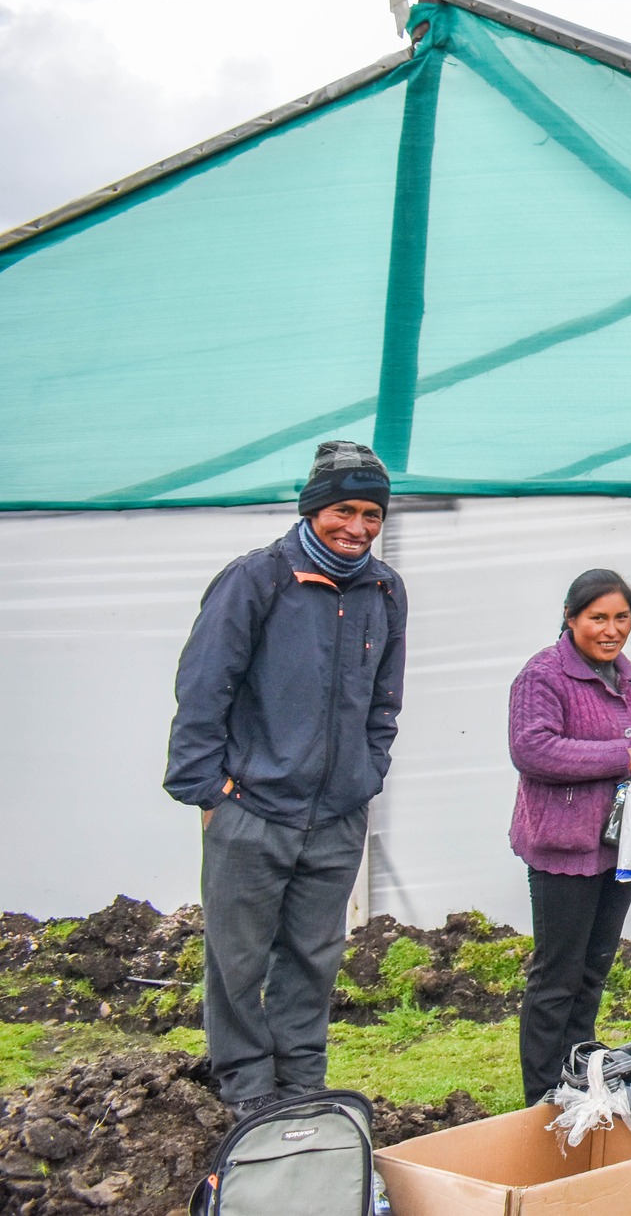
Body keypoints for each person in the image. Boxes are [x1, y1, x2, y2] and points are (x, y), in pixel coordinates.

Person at [165, 440, 407, 1122]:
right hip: (253, 809)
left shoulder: (385, 590)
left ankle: (302, 1085)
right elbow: (204, 689)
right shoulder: (258, 579)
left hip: (335, 816)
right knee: (237, 959)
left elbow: (384, 700)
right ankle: (245, 1087)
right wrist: (210, 794)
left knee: (313, 954)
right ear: (312, 508)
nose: (356, 526)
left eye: (370, 513)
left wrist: (368, 772)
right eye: (342, 509)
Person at [507, 569, 631, 1106]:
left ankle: (575, 1078)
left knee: (594, 967)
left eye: (621, 617)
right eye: (598, 617)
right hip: (563, 847)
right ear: (571, 617)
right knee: (557, 975)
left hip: (619, 847)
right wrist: (620, 759)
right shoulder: (543, 675)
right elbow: (533, 750)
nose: (611, 629)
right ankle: (540, 1096)